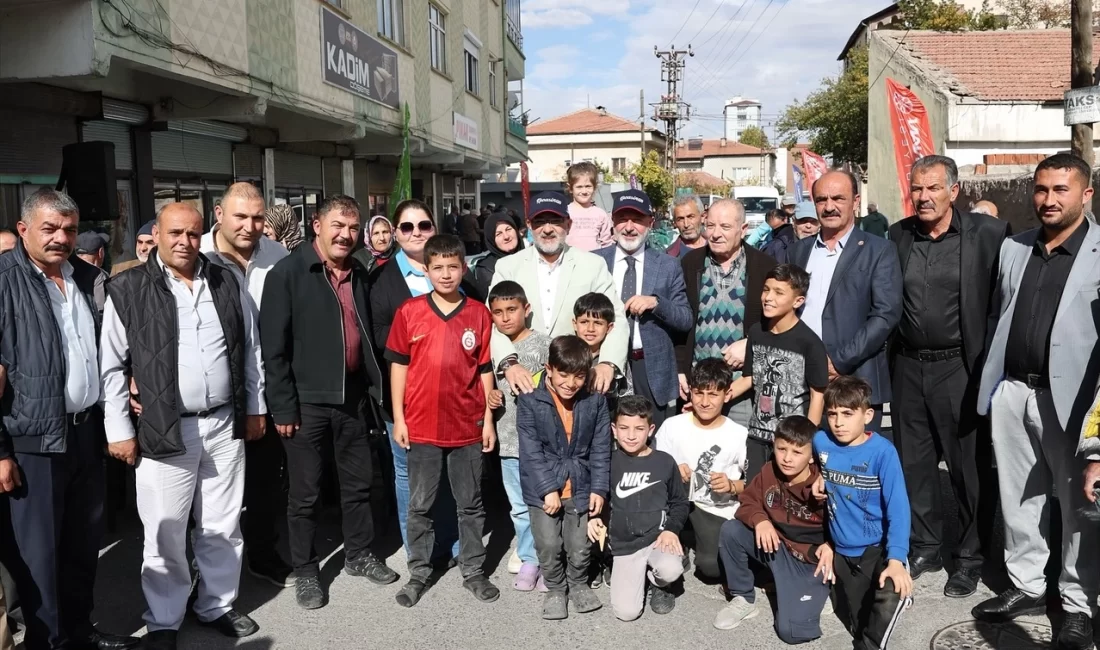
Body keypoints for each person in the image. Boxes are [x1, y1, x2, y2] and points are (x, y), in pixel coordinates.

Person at [100, 202, 265, 649]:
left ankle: (215, 604)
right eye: (174, 233)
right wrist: (118, 429)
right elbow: (111, 366)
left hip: (224, 424)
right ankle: (164, 620)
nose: (184, 242)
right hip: (163, 427)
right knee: (165, 530)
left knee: (222, 524)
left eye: (192, 234)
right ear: (156, 234)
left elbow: (250, 348)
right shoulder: (128, 288)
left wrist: (255, 407)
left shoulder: (225, 279)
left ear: (202, 235)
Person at [0, 190, 138, 650]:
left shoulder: (87, 277)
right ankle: (48, 642)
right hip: (33, 441)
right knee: (39, 557)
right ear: (23, 230)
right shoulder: (4, 282)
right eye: (50, 228)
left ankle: (81, 633)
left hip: (85, 433)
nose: (61, 238)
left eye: (70, 229)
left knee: (82, 546)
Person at [974, 153, 1100, 649]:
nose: (1048, 199)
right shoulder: (1016, 247)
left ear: (1085, 194)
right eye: (1042, 189)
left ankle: (1077, 602)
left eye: (1060, 190)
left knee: (1078, 507)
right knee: (1019, 500)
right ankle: (1026, 584)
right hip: (1014, 391)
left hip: (1073, 402)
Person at [261, 195, 398, 611]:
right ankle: (306, 570)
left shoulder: (359, 271)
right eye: (338, 225)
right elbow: (273, 349)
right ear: (316, 225)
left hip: (353, 397)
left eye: (353, 227)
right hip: (306, 404)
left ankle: (358, 554)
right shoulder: (287, 274)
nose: (346, 234)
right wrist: (283, 407)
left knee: (358, 484)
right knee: (305, 494)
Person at [887, 155, 1009, 598]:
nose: (923, 197)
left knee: (968, 469)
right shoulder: (897, 235)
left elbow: (1004, 300)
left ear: (953, 191)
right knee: (914, 465)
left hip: (961, 367)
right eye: (917, 188)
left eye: (933, 188)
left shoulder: (990, 235)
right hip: (908, 366)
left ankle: (971, 557)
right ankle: (926, 546)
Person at [385, 234, 500, 608]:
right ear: (427, 270)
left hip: (467, 426)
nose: (446, 274)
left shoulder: (478, 314)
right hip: (422, 426)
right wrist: (399, 417)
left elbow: (484, 369)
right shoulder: (410, 312)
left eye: (453, 267)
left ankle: (473, 570)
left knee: (471, 504)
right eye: (438, 267)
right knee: (420, 504)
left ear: (464, 268)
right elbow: (399, 367)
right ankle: (419, 571)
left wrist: (488, 421)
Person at [199, 182, 292, 588]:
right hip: (213, 390)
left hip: (265, 388)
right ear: (219, 214)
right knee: (210, 490)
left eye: (257, 218)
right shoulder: (196, 252)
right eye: (240, 216)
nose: (250, 226)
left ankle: (262, 553)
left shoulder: (278, 256)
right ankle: (204, 572)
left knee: (263, 481)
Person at [368, 200, 464, 564]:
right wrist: (422, 338)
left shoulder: (454, 271)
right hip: (406, 395)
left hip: (452, 393)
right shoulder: (381, 279)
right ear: (395, 233)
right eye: (407, 227)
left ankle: (450, 540)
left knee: (448, 472)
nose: (416, 233)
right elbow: (376, 332)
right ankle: (418, 548)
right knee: (409, 474)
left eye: (423, 225)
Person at [788, 170, 903, 433]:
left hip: (854, 380)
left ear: (856, 201)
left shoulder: (879, 250)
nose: (829, 207)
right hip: (801, 380)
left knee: (852, 458)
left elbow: (885, 314)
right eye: (821, 200)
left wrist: (838, 361)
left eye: (838, 198)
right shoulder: (798, 251)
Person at [489, 190, 628, 402]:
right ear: (529, 225)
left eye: (555, 221)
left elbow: (616, 318)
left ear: (568, 224)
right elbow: (492, 320)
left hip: (576, 381)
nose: (547, 229)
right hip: (524, 382)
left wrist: (608, 363)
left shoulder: (592, 265)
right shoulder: (508, 266)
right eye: (540, 222)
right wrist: (509, 363)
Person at [813, 376, 912, 650]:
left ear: (867, 415)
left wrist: (896, 559)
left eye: (847, 414)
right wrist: (816, 476)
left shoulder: (883, 452)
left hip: (876, 549)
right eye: (832, 414)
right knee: (857, 625)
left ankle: (899, 591)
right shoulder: (821, 441)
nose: (838, 422)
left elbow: (899, 509)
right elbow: (802, 461)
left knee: (891, 594)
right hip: (843, 552)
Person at [518, 335, 612, 620]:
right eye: (563, 374)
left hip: (581, 483)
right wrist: (547, 489)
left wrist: (599, 488)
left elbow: (601, 448)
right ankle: (556, 589)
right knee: (548, 544)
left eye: (579, 376)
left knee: (580, 545)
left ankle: (578, 583)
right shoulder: (530, 401)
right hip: (544, 486)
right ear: (549, 369)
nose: (570, 383)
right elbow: (531, 451)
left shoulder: (595, 401)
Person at [715, 416, 832, 643]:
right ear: (773, 445)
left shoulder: (822, 484)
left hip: (811, 560)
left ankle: (819, 591)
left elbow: (847, 521)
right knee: (732, 530)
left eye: (797, 452)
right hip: (778, 547)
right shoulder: (769, 471)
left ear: (812, 456)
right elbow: (748, 501)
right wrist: (760, 520)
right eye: (782, 449)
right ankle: (743, 598)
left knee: (791, 632)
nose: (787, 458)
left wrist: (831, 545)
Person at [595, 189, 693, 429]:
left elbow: (685, 319)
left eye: (637, 220)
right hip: (603, 364)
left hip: (649, 369)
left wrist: (656, 303)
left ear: (650, 222)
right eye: (622, 219)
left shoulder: (668, 265)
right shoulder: (595, 262)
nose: (629, 227)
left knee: (650, 437)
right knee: (605, 436)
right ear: (613, 222)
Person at [677, 199, 777, 428]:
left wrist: (751, 343)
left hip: (742, 386)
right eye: (710, 226)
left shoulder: (765, 266)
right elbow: (680, 323)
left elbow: (780, 324)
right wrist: (680, 368)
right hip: (698, 387)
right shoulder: (690, 263)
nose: (715, 234)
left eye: (725, 227)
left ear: (743, 229)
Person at [727, 264, 827, 480]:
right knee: (753, 488)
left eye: (779, 292)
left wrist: (806, 440)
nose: (768, 297)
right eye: (766, 290)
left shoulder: (810, 343)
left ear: (798, 301)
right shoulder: (756, 332)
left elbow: (817, 397)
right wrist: (718, 397)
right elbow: (749, 378)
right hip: (757, 435)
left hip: (791, 441)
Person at [593, 395, 688, 621]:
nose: (631, 435)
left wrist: (671, 529)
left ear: (650, 429)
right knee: (627, 613)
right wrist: (593, 517)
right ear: (614, 430)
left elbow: (680, 502)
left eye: (639, 428)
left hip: (658, 538)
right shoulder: (608, 462)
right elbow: (598, 497)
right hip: (625, 545)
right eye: (624, 428)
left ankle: (659, 583)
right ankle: (635, 573)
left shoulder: (665, 461)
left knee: (670, 569)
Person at [655, 359, 748, 582]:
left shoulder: (738, 434)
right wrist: (671, 470)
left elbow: (754, 485)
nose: (705, 402)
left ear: (727, 394)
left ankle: (696, 542)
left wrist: (731, 485)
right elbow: (652, 470)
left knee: (712, 568)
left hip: (715, 509)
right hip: (676, 505)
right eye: (699, 393)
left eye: (713, 395)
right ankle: (684, 541)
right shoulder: (672, 426)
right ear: (690, 392)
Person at [487, 281, 552, 589]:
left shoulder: (545, 345)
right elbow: (487, 384)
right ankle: (529, 558)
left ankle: (550, 559)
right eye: (498, 312)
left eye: (511, 309)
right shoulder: (493, 347)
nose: (505, 317)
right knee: (519, 505)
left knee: (545, 502)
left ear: (526, 309)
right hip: (509, 443)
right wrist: (491, 397)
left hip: (541, 445)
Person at [572, 293, 631, 405]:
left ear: (609, 327)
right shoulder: (566, 354)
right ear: (575, 324)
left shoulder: (615, 360)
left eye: (598, 323)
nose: (590, 329)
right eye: (584, 322)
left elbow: (627, 399)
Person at [468, 209, 524, 300]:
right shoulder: (487, 269)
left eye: (508, 229)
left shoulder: (532, 257)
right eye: (498, 234)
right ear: (491, 240)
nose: (506, 237)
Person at [564, 162, 613, 251]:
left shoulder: (600, 214)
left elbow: (607, 244)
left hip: (595, 258)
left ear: (595, 187)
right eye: (579, 187)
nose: (584, 191)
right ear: (570, 188)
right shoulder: (565, 212)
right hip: (570, 258)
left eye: (588, 186)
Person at [666, 194, 707, 258]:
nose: (686, 224)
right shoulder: (668, 257)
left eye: (691, 217)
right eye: (680, 219)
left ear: (702, 217)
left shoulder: (717, 248)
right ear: (675, 223)